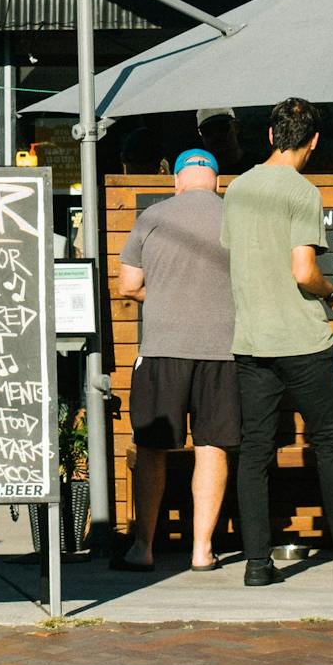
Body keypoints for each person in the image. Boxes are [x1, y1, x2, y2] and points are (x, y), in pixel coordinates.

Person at [221, 98, 333, 587]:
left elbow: (239, 257)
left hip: (252, 340)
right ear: (314, 141)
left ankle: (258, 564)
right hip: (302, 340)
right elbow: (304, 272)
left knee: (256, 451)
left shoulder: (237, 188)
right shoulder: (303, 192)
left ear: (269, 136)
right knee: (329, 445)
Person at [113, 148, 237, 573]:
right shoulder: (236, 216)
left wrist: (165, 296)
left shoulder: (153, 216)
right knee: (212, 446)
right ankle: (202, 550)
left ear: (178, 181)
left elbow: (128, 285)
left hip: (163, 347)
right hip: (225, 350)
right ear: (218, 182)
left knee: (152, 449)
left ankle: (142, 547)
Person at [197, 108, 246, 174]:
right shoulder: (199, 174)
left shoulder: (258, 166)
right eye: (207, 130)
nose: (216, 135)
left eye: (221, 127)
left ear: (236, 127)